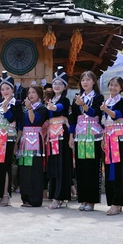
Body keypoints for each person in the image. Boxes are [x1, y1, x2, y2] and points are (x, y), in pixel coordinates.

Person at [100, 76, 123, 215]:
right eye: (111, 85)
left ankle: (117, 202)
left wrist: (106, 109)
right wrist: (103, 137)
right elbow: (106, 122)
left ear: (121, 88)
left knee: (120, 169)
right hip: (108, 137)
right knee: (110, 169)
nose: (113, 87)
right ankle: (114, 202)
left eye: (116, 85)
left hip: (120, 138)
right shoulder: (106, 102)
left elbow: (116, 115)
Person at [69, 71, 104, 212]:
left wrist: (83, 105)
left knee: (92, 167)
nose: (85, 82)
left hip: (93, 136)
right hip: (80, 135)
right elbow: (72, 119)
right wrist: (71, 136)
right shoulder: (78, 97)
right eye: (83, 79)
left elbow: (94, 113)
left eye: (88, 79)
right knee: (81, 167)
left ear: (94, 82)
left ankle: (91, 200)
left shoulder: (98, 97)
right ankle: (82, 199)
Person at [0, 71, 22, 206]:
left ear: (13, 89)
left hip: (9, 138)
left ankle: (6, 195)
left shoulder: (17, 103)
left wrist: (5, 109)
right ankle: (0, 194)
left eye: (7, 88)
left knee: (6, 165)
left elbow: (13, 119)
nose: (5, 91)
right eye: (2, 89)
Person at [45, 67, 72, 210]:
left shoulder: (65, 100)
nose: (56, 86)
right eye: (54, 83)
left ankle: (59, 196)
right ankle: (55, 194)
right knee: (54, 164)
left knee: (61, 165)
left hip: (61, 133)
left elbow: (60, 107)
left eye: (60, 84)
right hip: (51, 134)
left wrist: (53, 108)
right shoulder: (50, 100)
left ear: (65, 86)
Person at [18, 85, 48, 207]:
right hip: (25, 139)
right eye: (29, 93)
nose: (30, 95)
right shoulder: (24, 108)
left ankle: (34, 199)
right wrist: (17, 142)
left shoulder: (42, 109)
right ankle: (25, 197)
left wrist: (30, 109)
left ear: (39, 95)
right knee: (24, 168)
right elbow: (21, 126)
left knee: (34, 169)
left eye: (33, 92)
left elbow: (33, 121)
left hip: (35, 139)